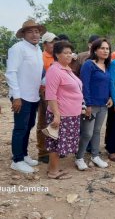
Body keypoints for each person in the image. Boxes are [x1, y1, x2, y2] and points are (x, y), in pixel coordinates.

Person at [5, 19, 46, 173]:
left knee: (29, 126)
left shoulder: (38, 49)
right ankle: (17, 160)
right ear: (23, 34)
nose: (34, 34)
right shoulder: (18, 48)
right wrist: (16, 96)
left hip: (33, 95)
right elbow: (11, 72)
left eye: (36, 31)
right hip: (21, 96)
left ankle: (24, 154)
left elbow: (39, 72)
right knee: (20, 128)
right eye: (30, 31)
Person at [44, 41, 83, 179]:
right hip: (61, 114)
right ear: (57, 54)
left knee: (60, 142)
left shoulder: (67, 69)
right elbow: (50, 95)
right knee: (56, 142)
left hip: (71, 114)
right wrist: (56, 115)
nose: (68, 55)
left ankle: (52, 168)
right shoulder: (54, 70)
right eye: (65, 53)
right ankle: (53, 172)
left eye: (70, 53)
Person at [75, 38, 113, 170]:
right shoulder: (88, 65)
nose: (105, 51)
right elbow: (84, 85)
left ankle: (95, 156)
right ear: (95, 50)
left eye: (107, 48)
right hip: (91, 105)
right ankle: (79, 157)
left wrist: (110, 97)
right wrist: (88, 105)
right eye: (102, 48)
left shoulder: (108, 66)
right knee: (87, 133)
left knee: (97, 132)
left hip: (103, 105)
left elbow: (108, 84)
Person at [36, 32, 59, 164]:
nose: (54, 44)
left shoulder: (58, 56)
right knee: (43, 122)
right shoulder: (41, 58)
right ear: (44, 44)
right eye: (51, 42)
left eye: (55, 41)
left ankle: (54, 150)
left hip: (58, 94)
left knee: (55, 121)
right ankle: (42, 151)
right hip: (45, 94)